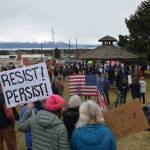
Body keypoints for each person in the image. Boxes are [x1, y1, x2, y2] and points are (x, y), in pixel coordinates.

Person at [0, 85, 17, 150]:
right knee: (11, 146)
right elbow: (9, 114)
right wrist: (13, 122)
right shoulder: (3, 98)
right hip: (6, 126)